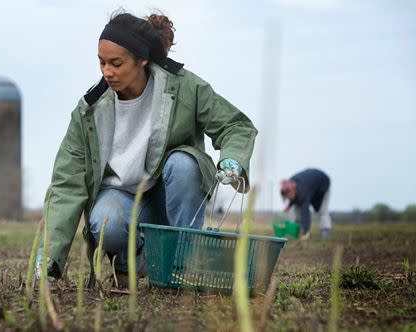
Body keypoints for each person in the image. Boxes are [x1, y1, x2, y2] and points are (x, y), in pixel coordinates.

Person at [35, 11, 257, 286]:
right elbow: (67, 184)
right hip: (124, 201)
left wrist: (233, 159)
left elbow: (235, 125)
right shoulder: (89, 111)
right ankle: (135, 262)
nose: (107, 72)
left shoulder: (185, 87)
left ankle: (181, 264)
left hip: (170, 198)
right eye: (102, 62)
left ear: (142, 60)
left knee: (184, 164)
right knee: (106, 219)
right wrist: (51, 256)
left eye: (116, 63)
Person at [280, 168, 332, 240]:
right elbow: (294, 197)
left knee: (322, 210)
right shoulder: (292, 184)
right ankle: (296, 231)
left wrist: (306, 232)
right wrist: (289, 205)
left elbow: (305, 213)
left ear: (291, 191)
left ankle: (325, 232)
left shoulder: (303, 191)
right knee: (296, 208)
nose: (288, 199)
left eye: (288, 197)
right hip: (311, 186)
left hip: (322, 184)